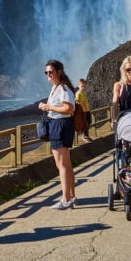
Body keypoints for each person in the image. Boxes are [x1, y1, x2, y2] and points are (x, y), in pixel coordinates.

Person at [40, 59, 76, 210]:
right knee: (66, 164)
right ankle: (72, 196)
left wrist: (49, 107)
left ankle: (65, 199)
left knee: (61, 165)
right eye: (46, 72)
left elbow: (69, 108)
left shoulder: (63, 88)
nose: (48, 74)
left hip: (60, 126)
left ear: (59, 72)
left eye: (51, 72)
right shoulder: (57, 87)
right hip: (60, 125)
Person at [76, 78, 92, 142]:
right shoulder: (78, 93)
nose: (83, 88)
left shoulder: (84, 93)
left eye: (84, 86)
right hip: (83, 111)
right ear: (78, 86)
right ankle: (85, 136)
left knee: (89, 122)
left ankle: (86, 135)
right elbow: (77, 101)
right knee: (86, 123)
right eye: (82, 86)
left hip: (87, 110)